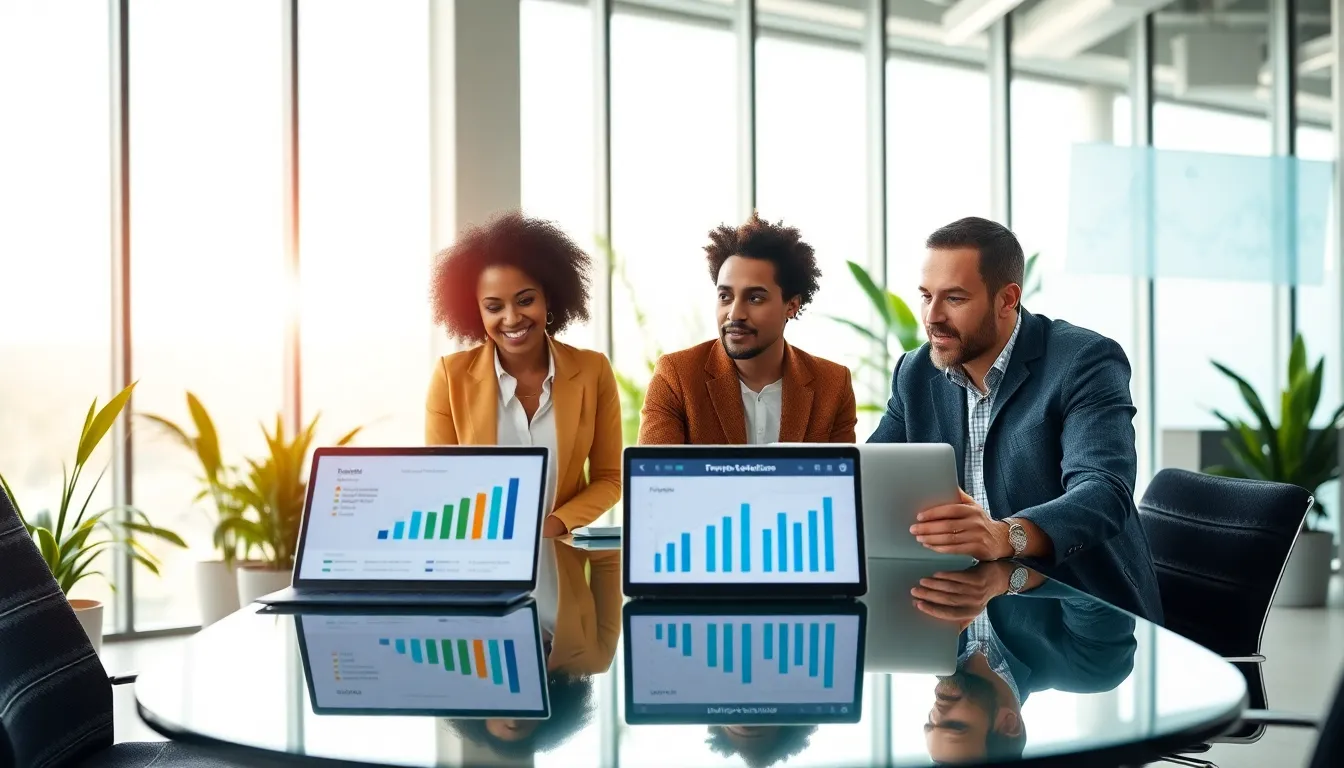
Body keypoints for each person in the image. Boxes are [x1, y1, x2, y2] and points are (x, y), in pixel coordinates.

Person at [868, 216, 1162, 623]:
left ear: (1007, 299)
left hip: (1082, 616)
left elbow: (1103, 491)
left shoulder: (1084, 361)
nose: (931, 317)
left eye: (954, 299)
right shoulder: (916, 372)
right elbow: (869, 479)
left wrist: (1005, 535)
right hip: (959, 612)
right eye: (925, 296)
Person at [425, 212, 622, 536]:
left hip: (562, 563)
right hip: (479, 561)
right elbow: (439, 479)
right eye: (493, 307)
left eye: (525, 300)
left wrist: (551, 528)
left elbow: (609, 478)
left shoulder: (593, 371)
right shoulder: (450, 377)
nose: (512, 318)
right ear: (475, 311)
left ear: (549, 297)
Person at [639, 212, 857, 445]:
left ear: (791, 306)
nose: (734, 314)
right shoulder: (677, 378)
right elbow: (656, 479)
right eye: (725, 296)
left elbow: (840, 480)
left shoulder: (832, 384)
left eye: (754, 298)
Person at [917, 561, 1137, 765]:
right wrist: (1005, 578)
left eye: (930, 723)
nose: (937, 712)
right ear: (1008, 724)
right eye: (956, 726)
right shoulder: (1090, 668)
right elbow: (1096, 581)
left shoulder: (922, 644)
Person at [448, 542, 621, 757]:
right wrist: (568, 521)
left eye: (502, 711)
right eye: (524, 718)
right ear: (551, 712)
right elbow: (608, 559)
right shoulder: (593, 656)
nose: (513, 718)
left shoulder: (458, 640)